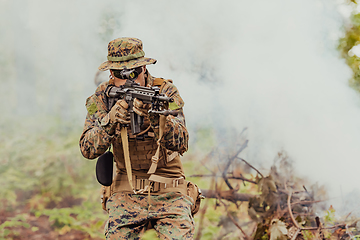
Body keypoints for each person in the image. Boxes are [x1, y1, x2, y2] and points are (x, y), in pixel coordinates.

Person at [79, 37, 200, 239]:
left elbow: (182, 142)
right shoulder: (102, 97)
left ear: (144, 68)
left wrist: (157, 119)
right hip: (126, 190)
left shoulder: (165, 92)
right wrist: (109, 122)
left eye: (134, 72)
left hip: (169, 189)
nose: (129, 79)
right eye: (120, 74)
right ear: (111, 73)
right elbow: (87, 148)